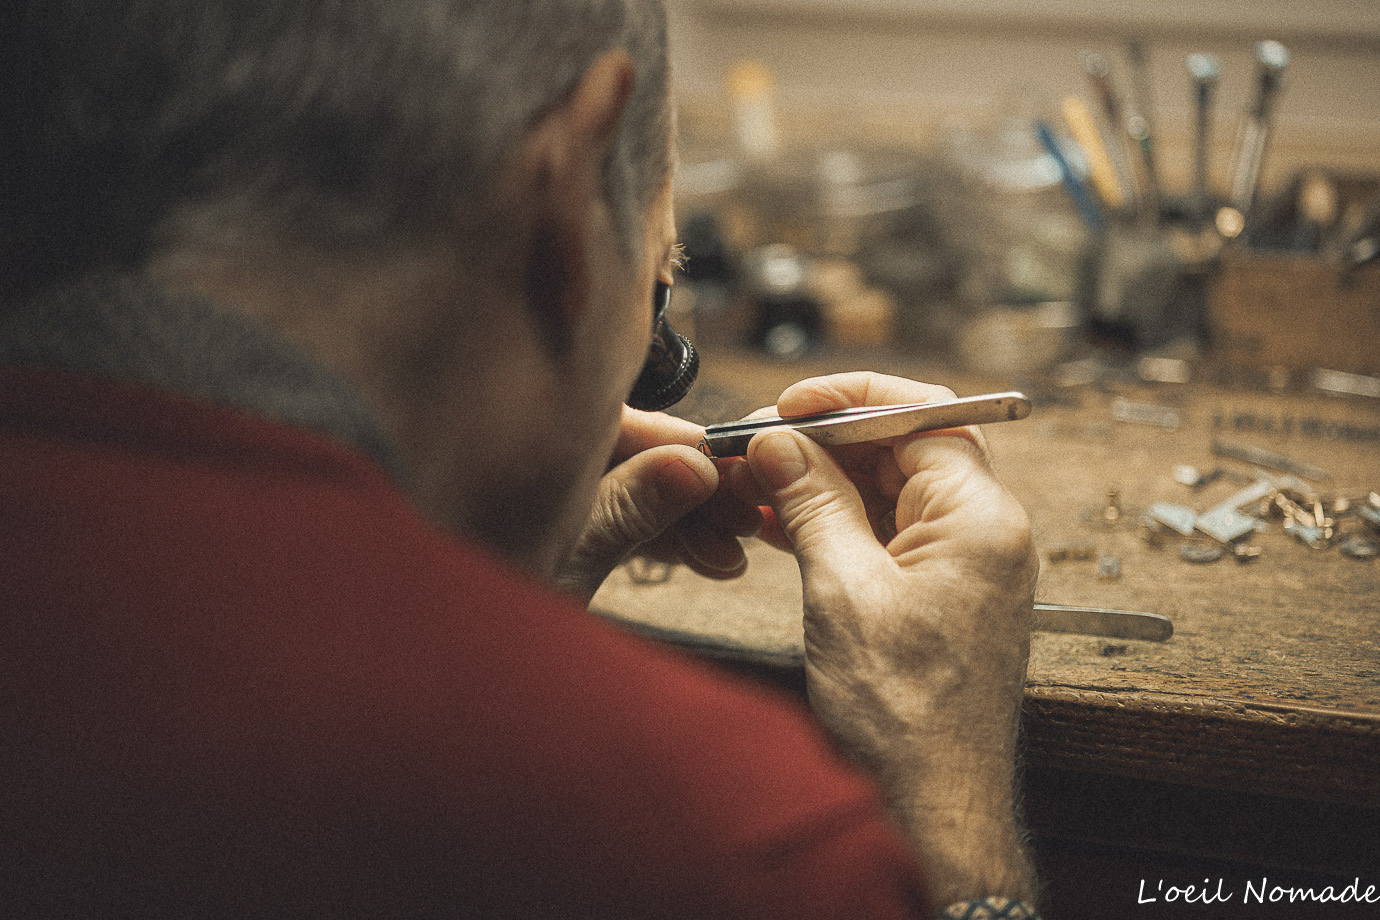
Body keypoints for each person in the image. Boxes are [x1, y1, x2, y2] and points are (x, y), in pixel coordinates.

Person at [0, 1, 1041, 917]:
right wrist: (949, 819)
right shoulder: (735, 844)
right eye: (658, 290)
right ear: (572, 193)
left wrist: (466, 598)